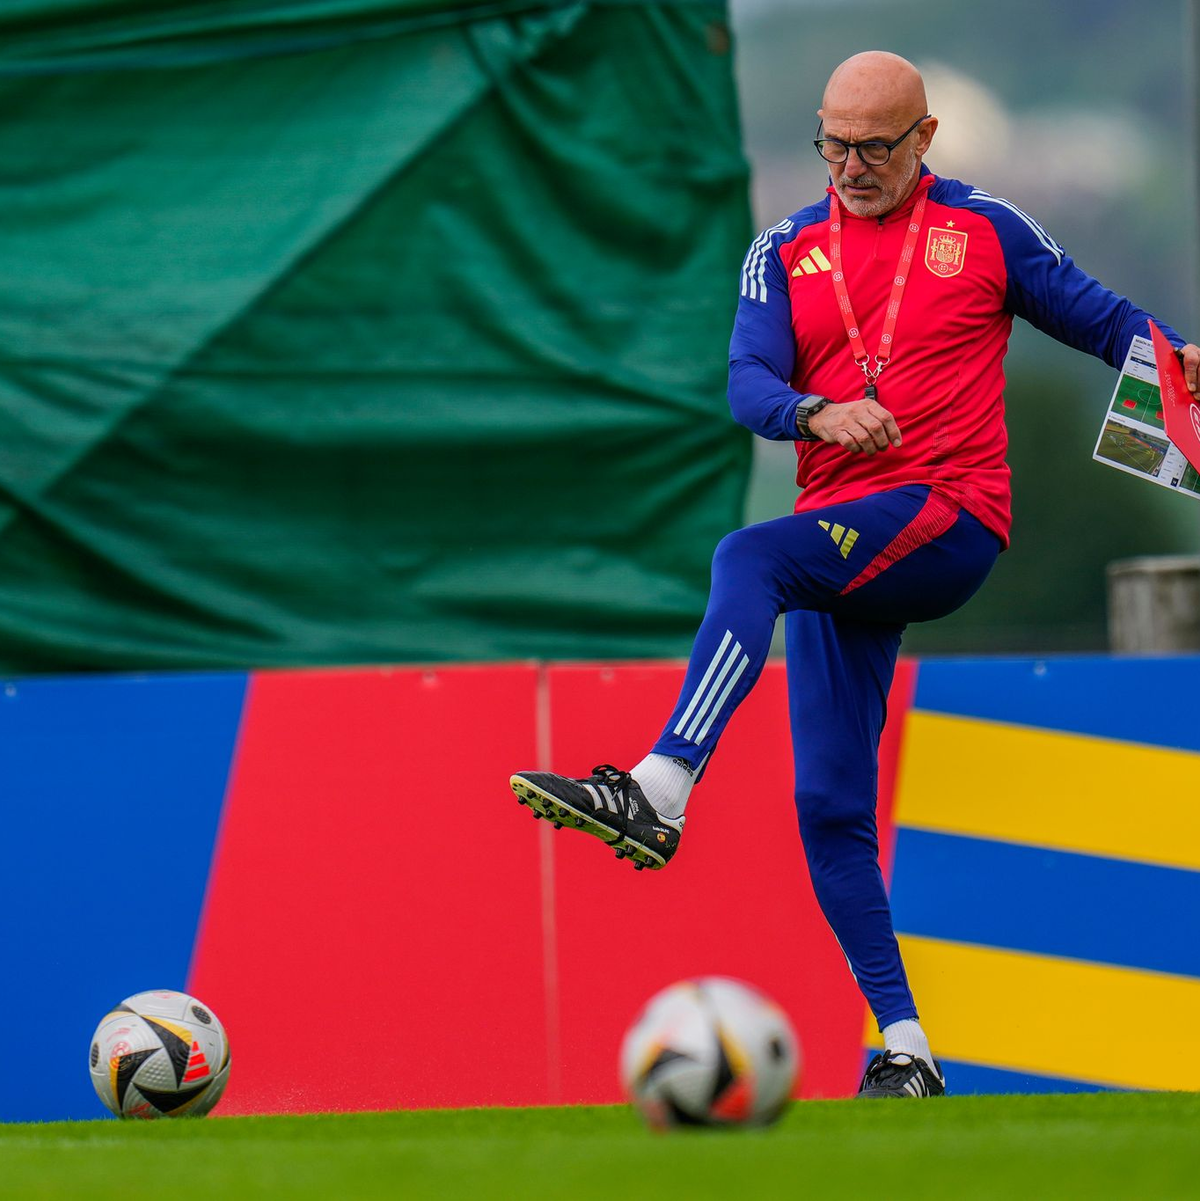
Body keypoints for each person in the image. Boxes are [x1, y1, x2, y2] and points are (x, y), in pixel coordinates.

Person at [510, 51, 1200, 1099]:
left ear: (924, 139)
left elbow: (1103, 321)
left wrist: (1182, 366)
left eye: (875, 146)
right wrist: (816, 413)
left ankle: (660, 785)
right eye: (834, 143)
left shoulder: (986, 230)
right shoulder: (784, 248)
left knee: (747, 557)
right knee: (829, 805)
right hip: (843, 539)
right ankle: (908, 1049)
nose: (851, 165)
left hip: (950, 515)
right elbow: (746, 383)